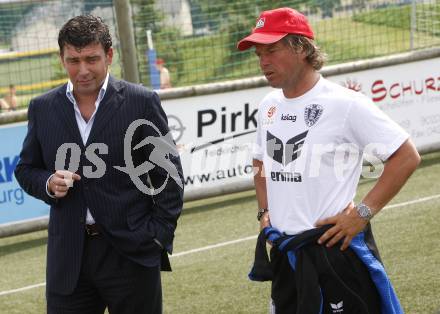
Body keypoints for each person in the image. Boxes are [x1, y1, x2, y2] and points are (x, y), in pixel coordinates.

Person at [237, 7, 420, 313]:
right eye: (258, 54)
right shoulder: (268, 105)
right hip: (286, 255)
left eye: (271, 50)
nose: (263, 61)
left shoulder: (345, 104)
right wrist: (264, 213)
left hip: (335, 253)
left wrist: (361, 214)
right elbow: (261, 163)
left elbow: (406, 156)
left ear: (302, 48)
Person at [15, 15, 184, 314]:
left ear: (109, 55)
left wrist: (158, 235)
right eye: (73, 60)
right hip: (69, 258)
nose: (82, 70)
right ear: (61, 58)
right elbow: (26, 169)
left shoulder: (141, 102)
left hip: (131, 253)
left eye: (91, 59)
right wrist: (48, 183)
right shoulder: (42, 108)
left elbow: (169, 174)